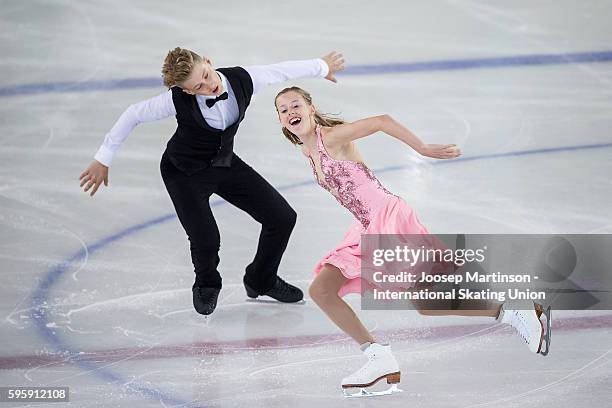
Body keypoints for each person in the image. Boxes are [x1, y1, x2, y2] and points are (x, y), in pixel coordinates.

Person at [274, 86, 551, 397]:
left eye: (295, 105)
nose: (290, 112)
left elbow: (381, 120)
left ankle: (513, 312)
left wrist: (421, 148)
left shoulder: (332, 137)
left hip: (388, 221)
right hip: (367, 227)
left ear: (311, 108)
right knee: (340, 292)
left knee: (410, 299)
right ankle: (380, 356)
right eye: (283, 110)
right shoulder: (306, 150)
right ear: (281, 122)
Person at [79, 48, 345, 316]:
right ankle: (206, 283)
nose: (210, 86)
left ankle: (260, 280)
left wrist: (321, 67)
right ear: (188, 91)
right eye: (199, 87)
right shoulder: (176, 100)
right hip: (183, 172)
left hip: (224, 163)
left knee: (282, 217)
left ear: (208, 62)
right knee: (206, 238)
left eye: (206, 76)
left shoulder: (243, 79)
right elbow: (133, 113)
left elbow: (280, 70)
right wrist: (103, 158)